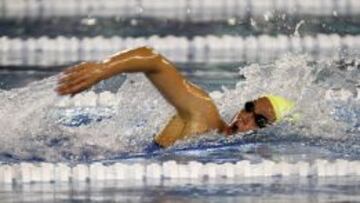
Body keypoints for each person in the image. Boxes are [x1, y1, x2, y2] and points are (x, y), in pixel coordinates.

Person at [56, 46, 294, 148]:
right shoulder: (205, 114)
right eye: (249, 107)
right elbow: (152, 59)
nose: (244, 118)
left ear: (269, 132)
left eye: (258, 121)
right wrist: (103, 68)